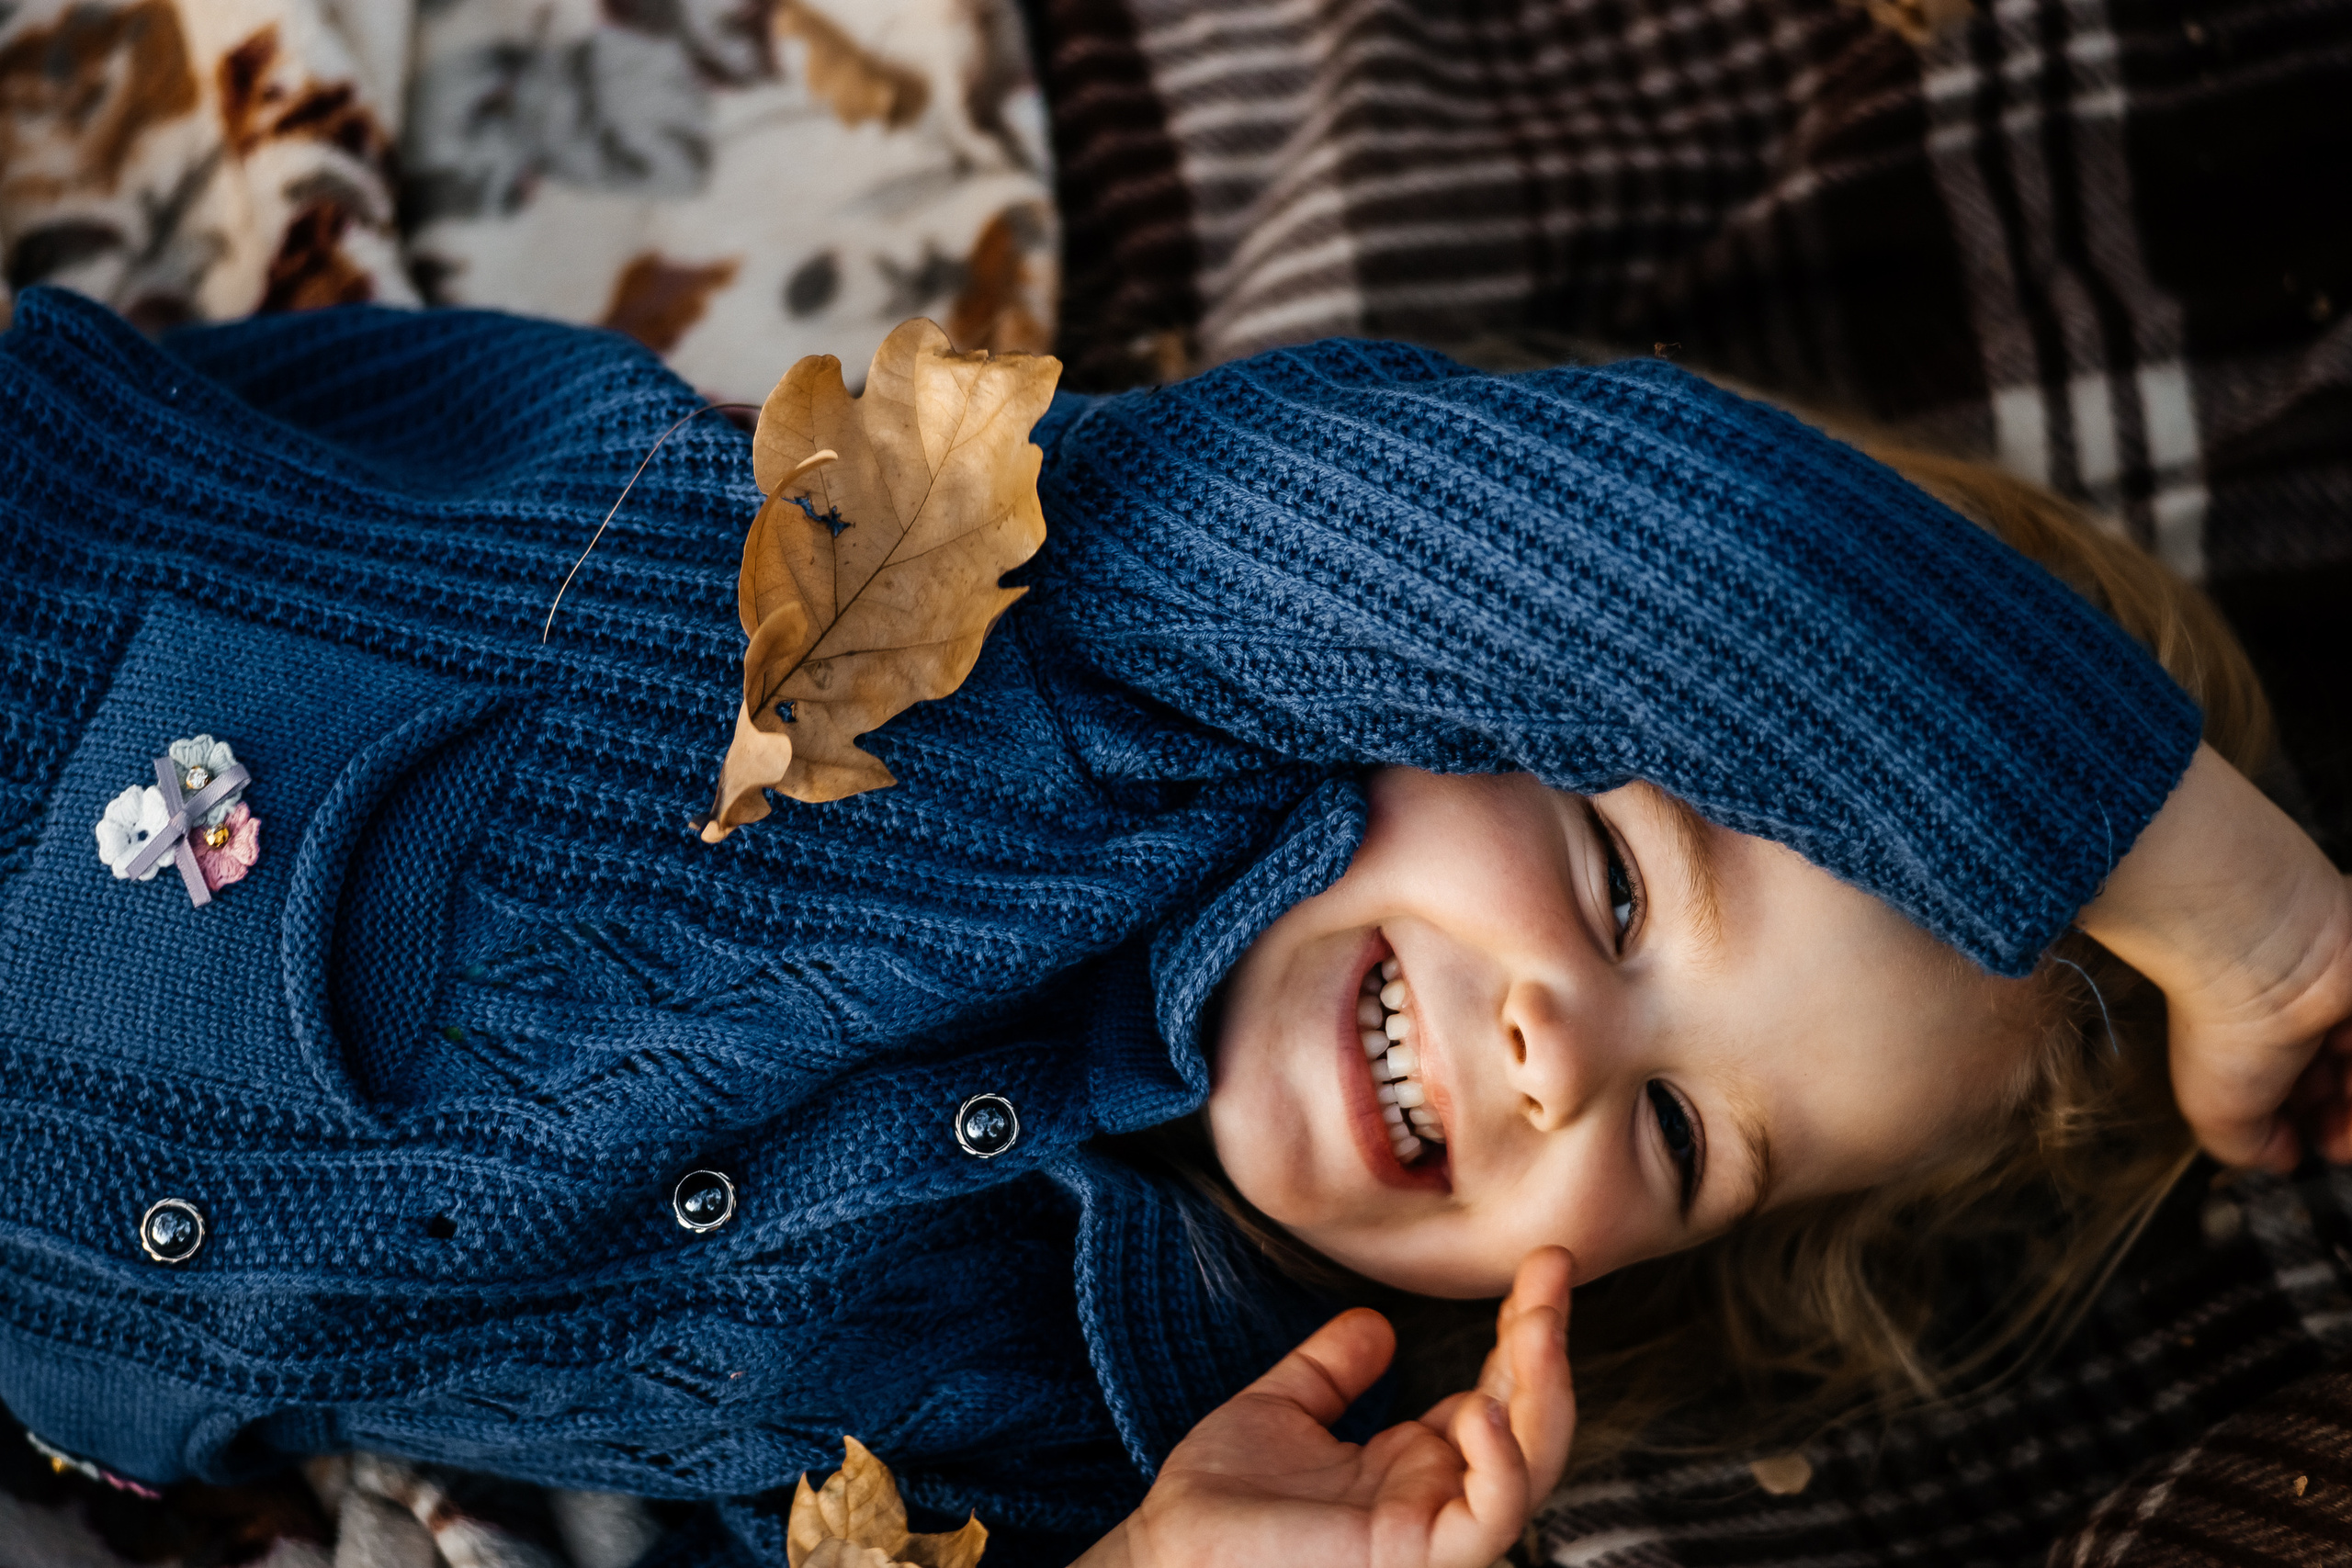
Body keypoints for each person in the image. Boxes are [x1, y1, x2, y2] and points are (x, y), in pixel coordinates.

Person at [0, 285, 2344, 1568]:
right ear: (1493, 682)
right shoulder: (1127, 623)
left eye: (1675, 1137)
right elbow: (1685, 565)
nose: (1555, 1057)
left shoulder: (1157, 1420)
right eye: (1618, 883)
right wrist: (2237, 918)